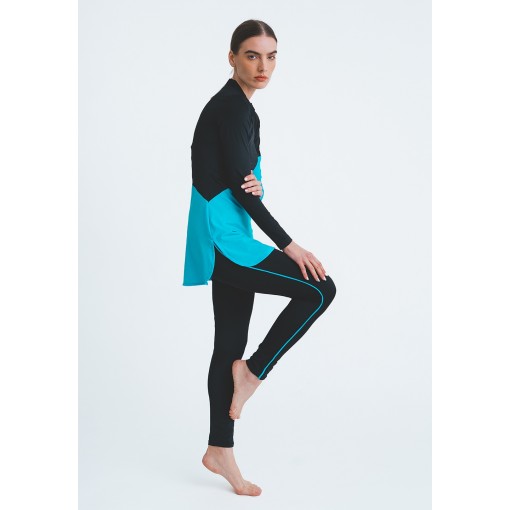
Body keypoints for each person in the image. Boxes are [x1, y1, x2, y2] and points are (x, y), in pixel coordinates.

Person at [182, 19, 337, 496]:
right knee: (320, 289)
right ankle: (253, 372)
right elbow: (240, 189)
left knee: (229, 341)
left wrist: (253, 184)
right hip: (226, 240)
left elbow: (243, 182)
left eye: (271, 56)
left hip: (229, 233)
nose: (263, 66)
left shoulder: (242, 110)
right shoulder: (231, 108)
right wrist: (290, 244)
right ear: (232, 58)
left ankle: (219, 450)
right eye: (252, 55)